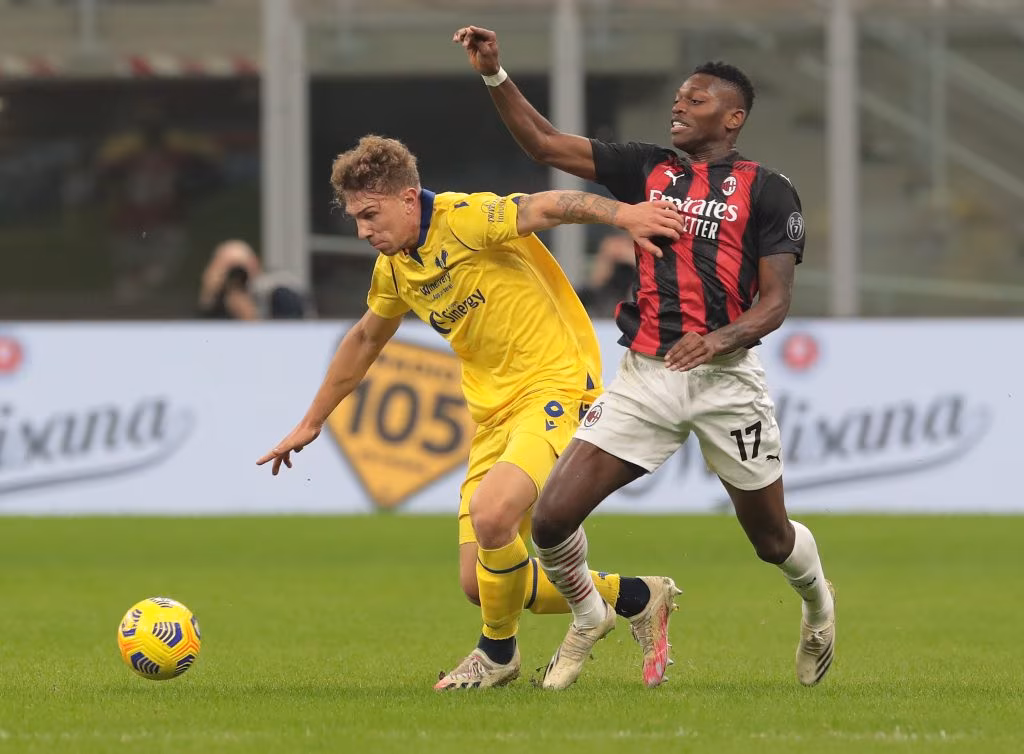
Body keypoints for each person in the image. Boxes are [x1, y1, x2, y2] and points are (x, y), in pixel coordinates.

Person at [454, 26, 836, 690]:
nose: (679, 106)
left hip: (725, 383)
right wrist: (494, 73)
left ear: (733, 118)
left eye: (696, 100)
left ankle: (819, 607)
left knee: (770, 540)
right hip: (646, 377)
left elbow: (775, 303)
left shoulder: (769, 190)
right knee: (551, 519)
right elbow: (544, 144)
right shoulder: (647, 168)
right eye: (678, 98)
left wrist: (717, 340)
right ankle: (590, 615)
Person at [257, 135, 685, 690]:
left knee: (492, 515)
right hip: (492, 415)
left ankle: (496, 654)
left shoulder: (464, 218)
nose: (363, 231)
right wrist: (312, 422)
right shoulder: (395, 269)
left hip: (554, 387)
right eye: (356, 218)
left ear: (407, 199)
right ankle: (637, 596)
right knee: (480, 583)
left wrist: (624, 214)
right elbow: (365, 339)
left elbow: (545, 206)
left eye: (370, 215)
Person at [198, 239, 313, 320]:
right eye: (229, 271)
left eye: (239, 269)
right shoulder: (222, 300)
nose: (236, 278)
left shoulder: (279, 293)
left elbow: (292, 336)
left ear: (254, 264)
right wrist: (209, 292)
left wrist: (252, 316)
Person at [576, 231, 637, 318]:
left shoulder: (645, 250)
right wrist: (606, 256)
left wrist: (630, 257)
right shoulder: (613, 247)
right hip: (608, 300)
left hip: (632, 300)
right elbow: (597, 281)